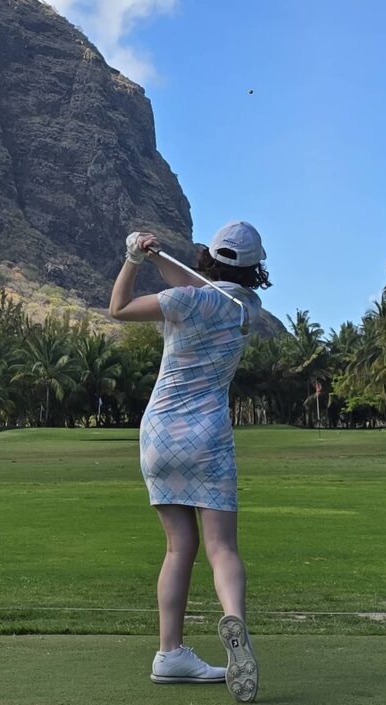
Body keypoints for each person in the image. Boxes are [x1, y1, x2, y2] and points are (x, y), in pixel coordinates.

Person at [108, 221, 270, 703]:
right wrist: (160, 258)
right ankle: (233, 615)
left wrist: (136, 258)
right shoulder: (247, 309)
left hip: (160, 435)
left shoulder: (183, 302)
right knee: (221, 548)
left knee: (180, 548)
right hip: (209, 439)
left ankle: (170, 652)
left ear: (207, 258)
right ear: (253, 270)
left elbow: (118, 309)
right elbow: (210, 291)